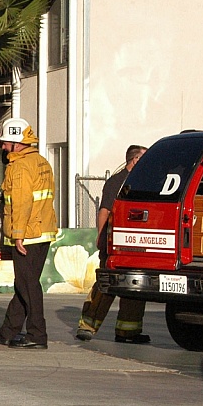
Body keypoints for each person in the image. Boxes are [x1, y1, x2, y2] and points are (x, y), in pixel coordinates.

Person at [0, 118, 57, 350]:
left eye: (6, 143)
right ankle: (8, 330)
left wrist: (17, 235)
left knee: (28, 285)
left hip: (27, 234)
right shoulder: (41, 162)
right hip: (42, 232)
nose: (3, 147)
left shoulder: (19, 167)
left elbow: (21, 202)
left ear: (17, 144)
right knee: (25, 284)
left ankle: (37, 334)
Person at [76, 144, 149, 343]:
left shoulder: (144, 182)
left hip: (135, 246)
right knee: (106, 285)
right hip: (113, 245)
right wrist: (101, 238)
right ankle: (88, 326)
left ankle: (128, 332)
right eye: (144, 159)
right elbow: (104, 211)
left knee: (134, 286)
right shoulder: (116, 182)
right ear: (134, 160)